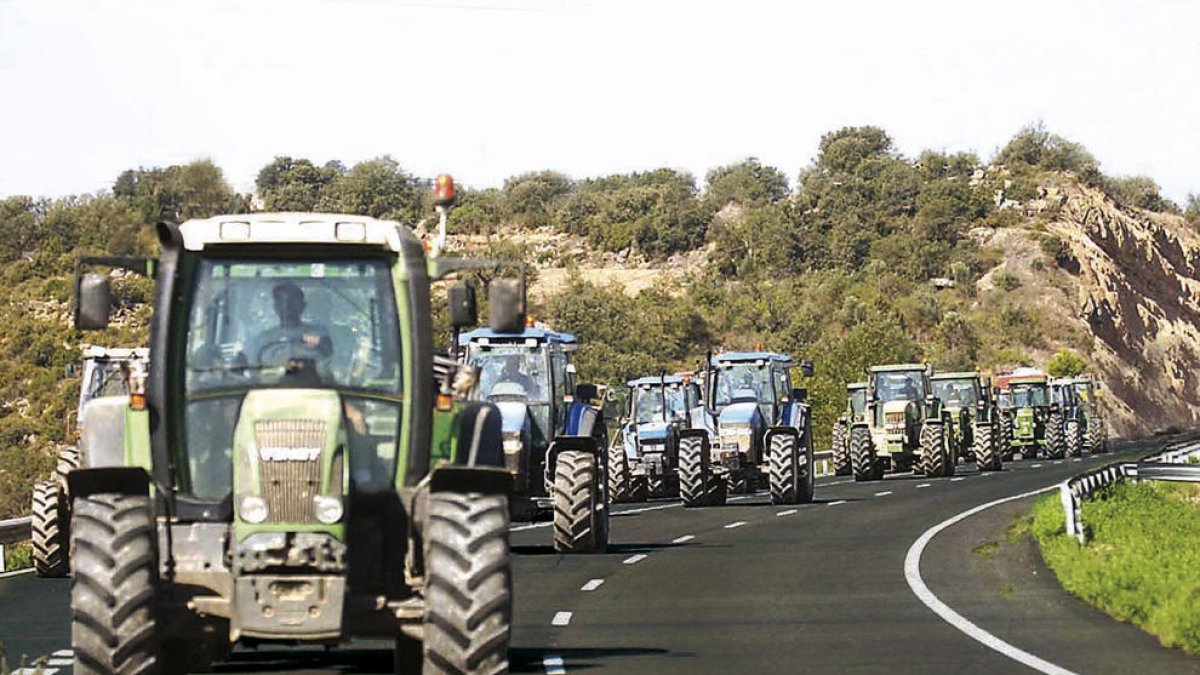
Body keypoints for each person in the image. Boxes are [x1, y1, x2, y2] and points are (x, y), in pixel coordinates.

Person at [249, 281, 333, 367]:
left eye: (292, 301)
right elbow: (247, 365)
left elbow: (326, 348)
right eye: (281, 302)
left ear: (302, 306)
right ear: (275, 307)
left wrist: (305, 339)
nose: (287, 307)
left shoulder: (318, 332)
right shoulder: (263, 340)